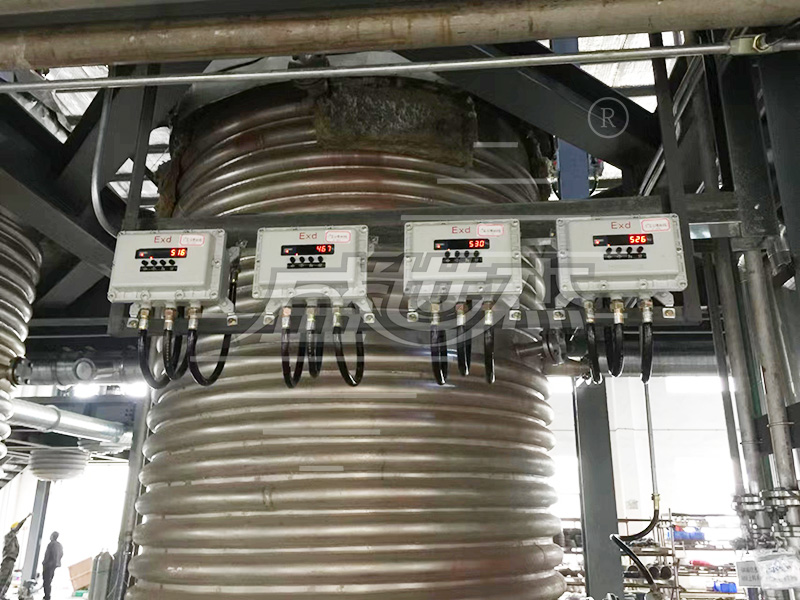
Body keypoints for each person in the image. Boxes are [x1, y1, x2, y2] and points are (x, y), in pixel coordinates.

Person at [0, 516, 29, 600]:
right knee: (3, 578)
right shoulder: (9, 536)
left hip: (12, 561)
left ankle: (2, 594)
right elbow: (17, 527)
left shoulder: (14, 538)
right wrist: (25, 518)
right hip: (7, 560)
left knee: (8, 579)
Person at [42, 532, 63, 600]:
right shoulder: (59, 545)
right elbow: (61, 554)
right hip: (53, 566)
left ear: (53, 536)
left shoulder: (51, 544)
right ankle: (47, 595)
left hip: (48, 565)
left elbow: (48, 555)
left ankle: (47, 596)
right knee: (49, 580)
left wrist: (45, 563)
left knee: (46, 581)